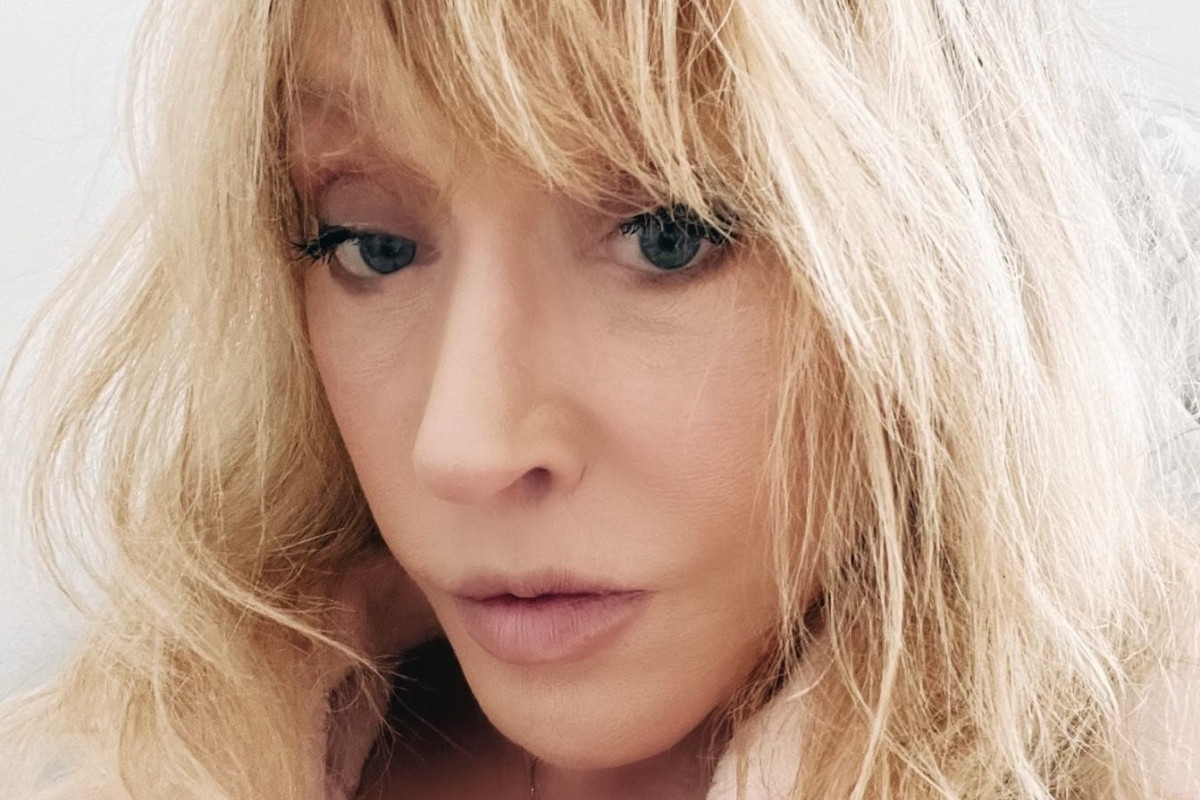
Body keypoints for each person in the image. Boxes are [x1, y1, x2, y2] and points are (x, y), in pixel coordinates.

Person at [2, 0, 1198, 797]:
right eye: (372, 243)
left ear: (943, 257)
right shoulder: (106, 757)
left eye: (669, 234)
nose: (463, 444)